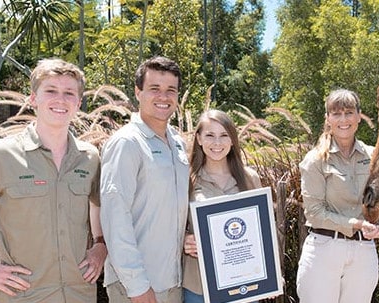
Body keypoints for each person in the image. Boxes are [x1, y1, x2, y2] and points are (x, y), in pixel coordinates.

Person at [0, 58, 107, 302]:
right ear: (33, 98)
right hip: (23, 297)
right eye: (51, 90)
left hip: (78, 295)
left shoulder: (90, 158)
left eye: (69, 93)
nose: (60, 100)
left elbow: (99, 205)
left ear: (78, 103)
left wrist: (100, 246)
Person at [100, 56, 189, 303]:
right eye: (154, 89)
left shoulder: (178, 144)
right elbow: (115, 217)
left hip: (173, 282)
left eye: (171, 90)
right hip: (137, 287)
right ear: (138, 92)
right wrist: (137, 286)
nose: (164, 96)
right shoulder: (127, 143)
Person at [296, 89, 379, 303]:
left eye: (349, 113)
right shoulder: (315, 160)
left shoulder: (374, 157)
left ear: (359, 116)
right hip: (324, 250)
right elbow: (314, 214)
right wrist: (356, 224)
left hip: (364, 251)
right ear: (328, 118)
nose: (343, 120)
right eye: (336, 114)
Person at [182, 109, 261, 303]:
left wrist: (272, 273)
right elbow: (171, 225)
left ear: (233, 140)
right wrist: (184, 240)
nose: (217, 143)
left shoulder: (250, 179)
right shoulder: (185, 180)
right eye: (210, 135)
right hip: (199, 284)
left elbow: (263, 231)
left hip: (244, 284)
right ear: (199, 139)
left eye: (224, 135)